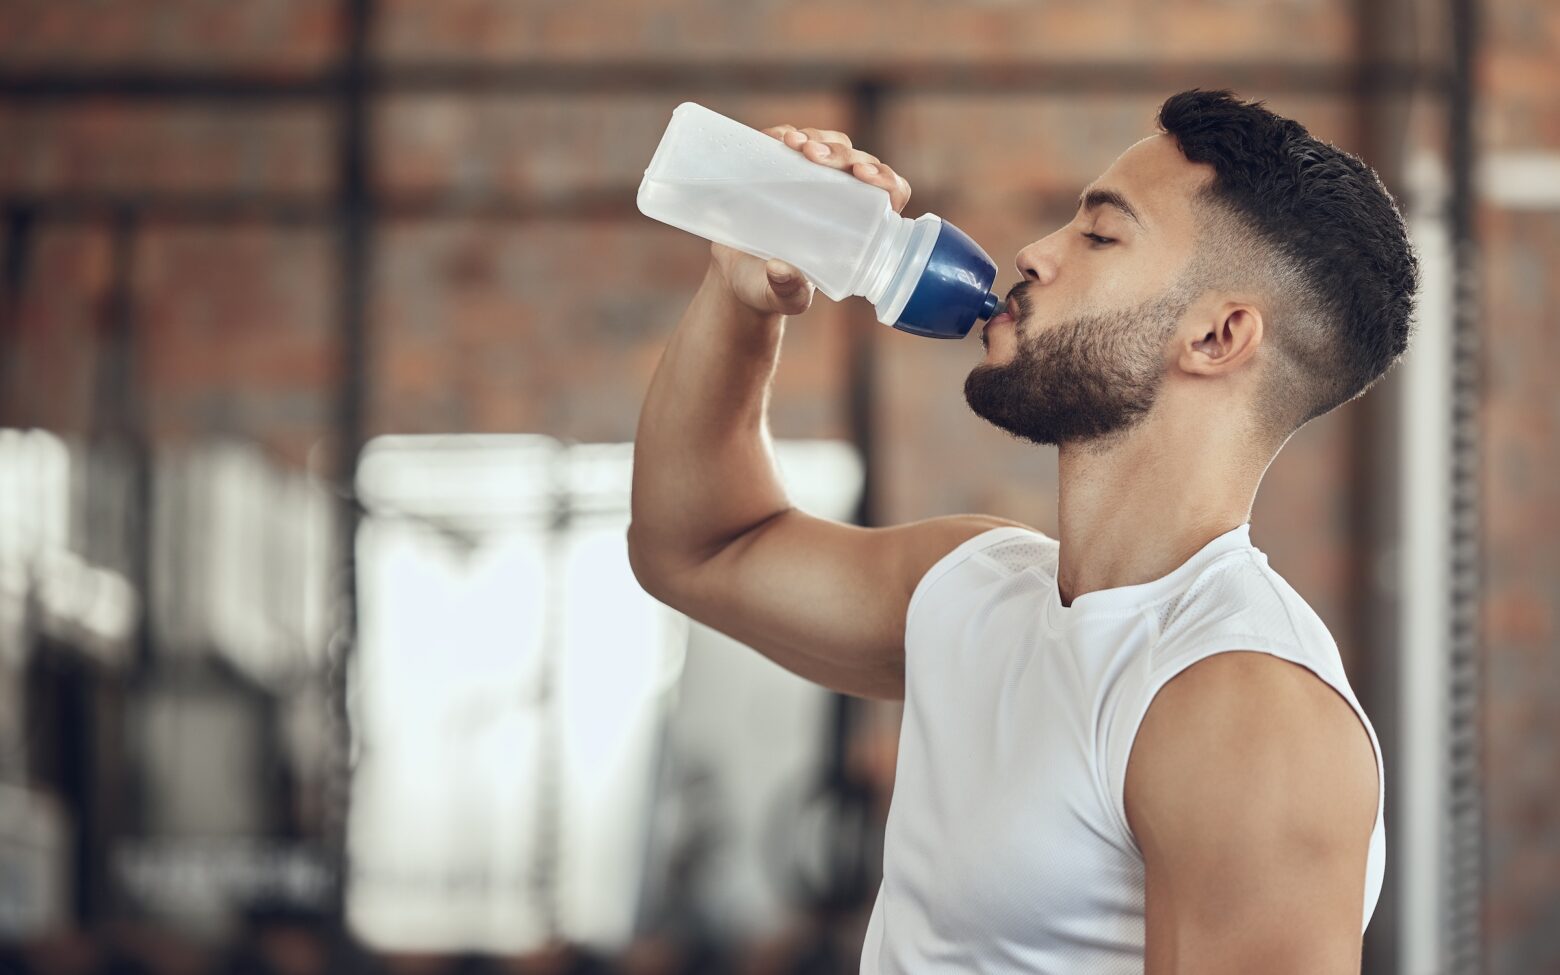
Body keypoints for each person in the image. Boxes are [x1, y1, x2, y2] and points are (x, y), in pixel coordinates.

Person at [627, 89, 1416, 974]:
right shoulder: (979, 589)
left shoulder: (1249, 713)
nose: (1033, 254)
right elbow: (696, 547)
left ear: (1218, 334)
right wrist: (745, 296)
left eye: (1099, 235)